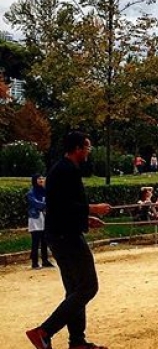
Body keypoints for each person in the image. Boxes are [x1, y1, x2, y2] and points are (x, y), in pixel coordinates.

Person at [26, 131, 112, 349]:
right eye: (87, 147)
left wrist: (86, 218)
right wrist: (93, 208)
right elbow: (64, 206)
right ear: (77, 148)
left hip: (60, 233)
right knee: (88, 287)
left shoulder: (62, 169)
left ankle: (77, 341)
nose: (89, 152)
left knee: (75, 289)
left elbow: (62, 207)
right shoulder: (66, 171)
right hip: (66, 238)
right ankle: (44, 332)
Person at [27, 174, 54, 269]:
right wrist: (47, 205)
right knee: (35, 241)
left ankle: (45, 261)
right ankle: (34, 263)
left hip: (44, 218)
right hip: (35, 218)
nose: (41, 180)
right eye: (39, 178)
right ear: (35, 180)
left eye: (42, 178)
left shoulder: (44, 191)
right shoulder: (31, 192)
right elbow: (36, 203)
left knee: (44, 240)